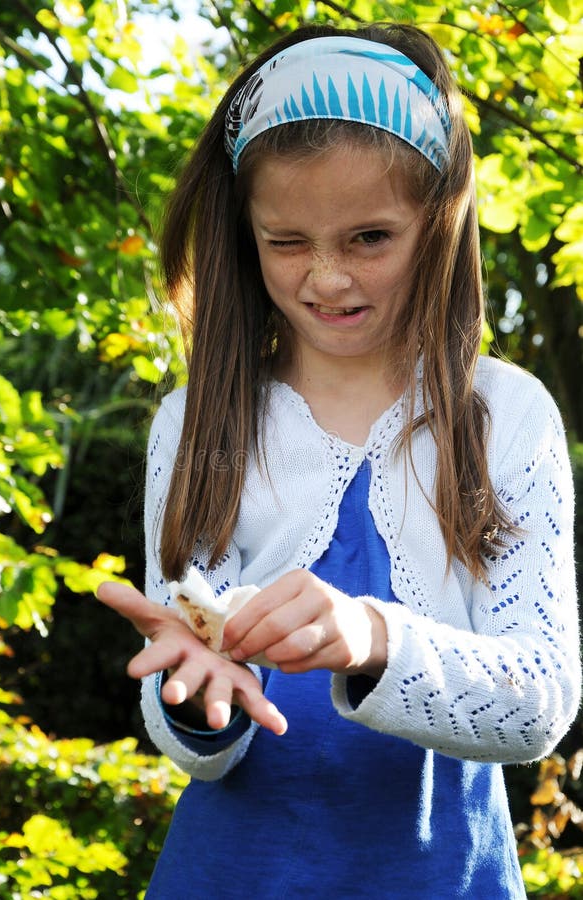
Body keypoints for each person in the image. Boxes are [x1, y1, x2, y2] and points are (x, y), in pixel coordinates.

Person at [97, 21, 581, 899]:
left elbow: (540, 700)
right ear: (245, 234)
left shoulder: (507, 417)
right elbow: (199, 739)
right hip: (230, 875)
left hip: (444, 877)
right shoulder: (197, 423)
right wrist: (192, 701)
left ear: (439, 222)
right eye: (287, 242)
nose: (325, 278)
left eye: (369, 238)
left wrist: (374, 636)